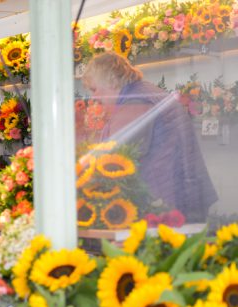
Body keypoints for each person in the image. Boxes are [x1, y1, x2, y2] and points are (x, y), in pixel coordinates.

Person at [82, 52, 217, 222]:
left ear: (110, 81)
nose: (94, 97)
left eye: (95, 89)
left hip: (166, 204)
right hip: (183, 195)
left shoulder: (136, 102)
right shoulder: (145, 93)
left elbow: (113, 157)